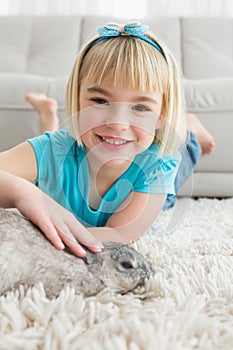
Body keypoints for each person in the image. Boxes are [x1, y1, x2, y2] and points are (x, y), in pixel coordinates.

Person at [0, 22, 215, 257]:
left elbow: (119, 235)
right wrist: (22, 191)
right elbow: (46, 153)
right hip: (65, 144)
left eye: (141, 107)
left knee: (182, 159)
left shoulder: (158, 167)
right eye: (100, 101)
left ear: (162, 116)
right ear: (77, 98)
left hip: (152, 177)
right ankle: (48, 117)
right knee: (54, 145)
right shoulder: (52, 149)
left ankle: (190, 128)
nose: (118, 123)